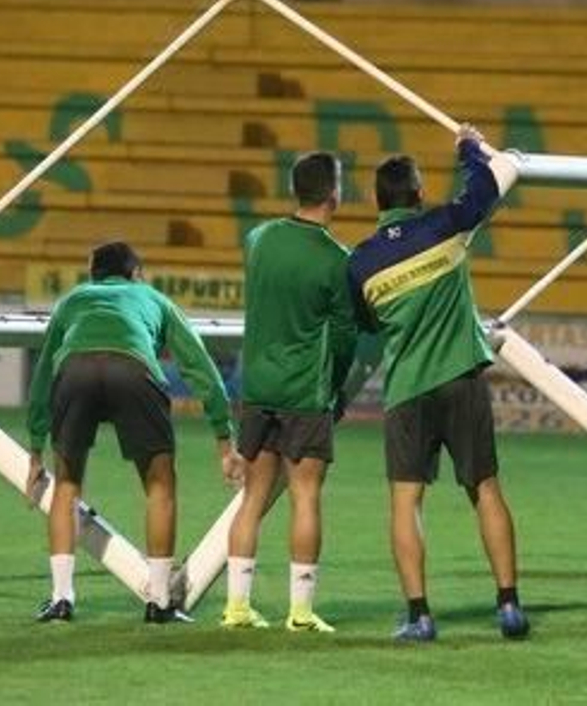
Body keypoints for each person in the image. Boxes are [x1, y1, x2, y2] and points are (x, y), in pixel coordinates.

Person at [347, 125, 529, 643]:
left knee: (406, 503)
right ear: (419, 194)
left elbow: (366, 325)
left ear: (375, 201)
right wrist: (469, 147)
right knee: (485, 489)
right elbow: (487, 188)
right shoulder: (446, 225)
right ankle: (509, 605)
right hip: (461, 378)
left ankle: (420, 615)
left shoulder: (359, 263)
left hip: (408, 391)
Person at [25, 241, 240, 624]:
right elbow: (199, 366)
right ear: (136, 273)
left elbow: (43, 375)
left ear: (94, 273)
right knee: (159, 484)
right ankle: (158, 601)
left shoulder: (72, 300)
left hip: (74, 371)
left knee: (67, 486)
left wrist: (34, 448)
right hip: (133, 369)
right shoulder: (152, 298)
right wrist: (224, 436)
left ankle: (61, 599)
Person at [222, 152, 357, 633]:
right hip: (305, 394)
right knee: (305, 497)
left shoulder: (258, 240)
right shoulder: (337, 260)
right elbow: (344, 338)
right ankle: (299, 612)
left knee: (251, 500)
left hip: (257, 388)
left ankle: (236, 607)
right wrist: (337, 385)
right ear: (334, 194)